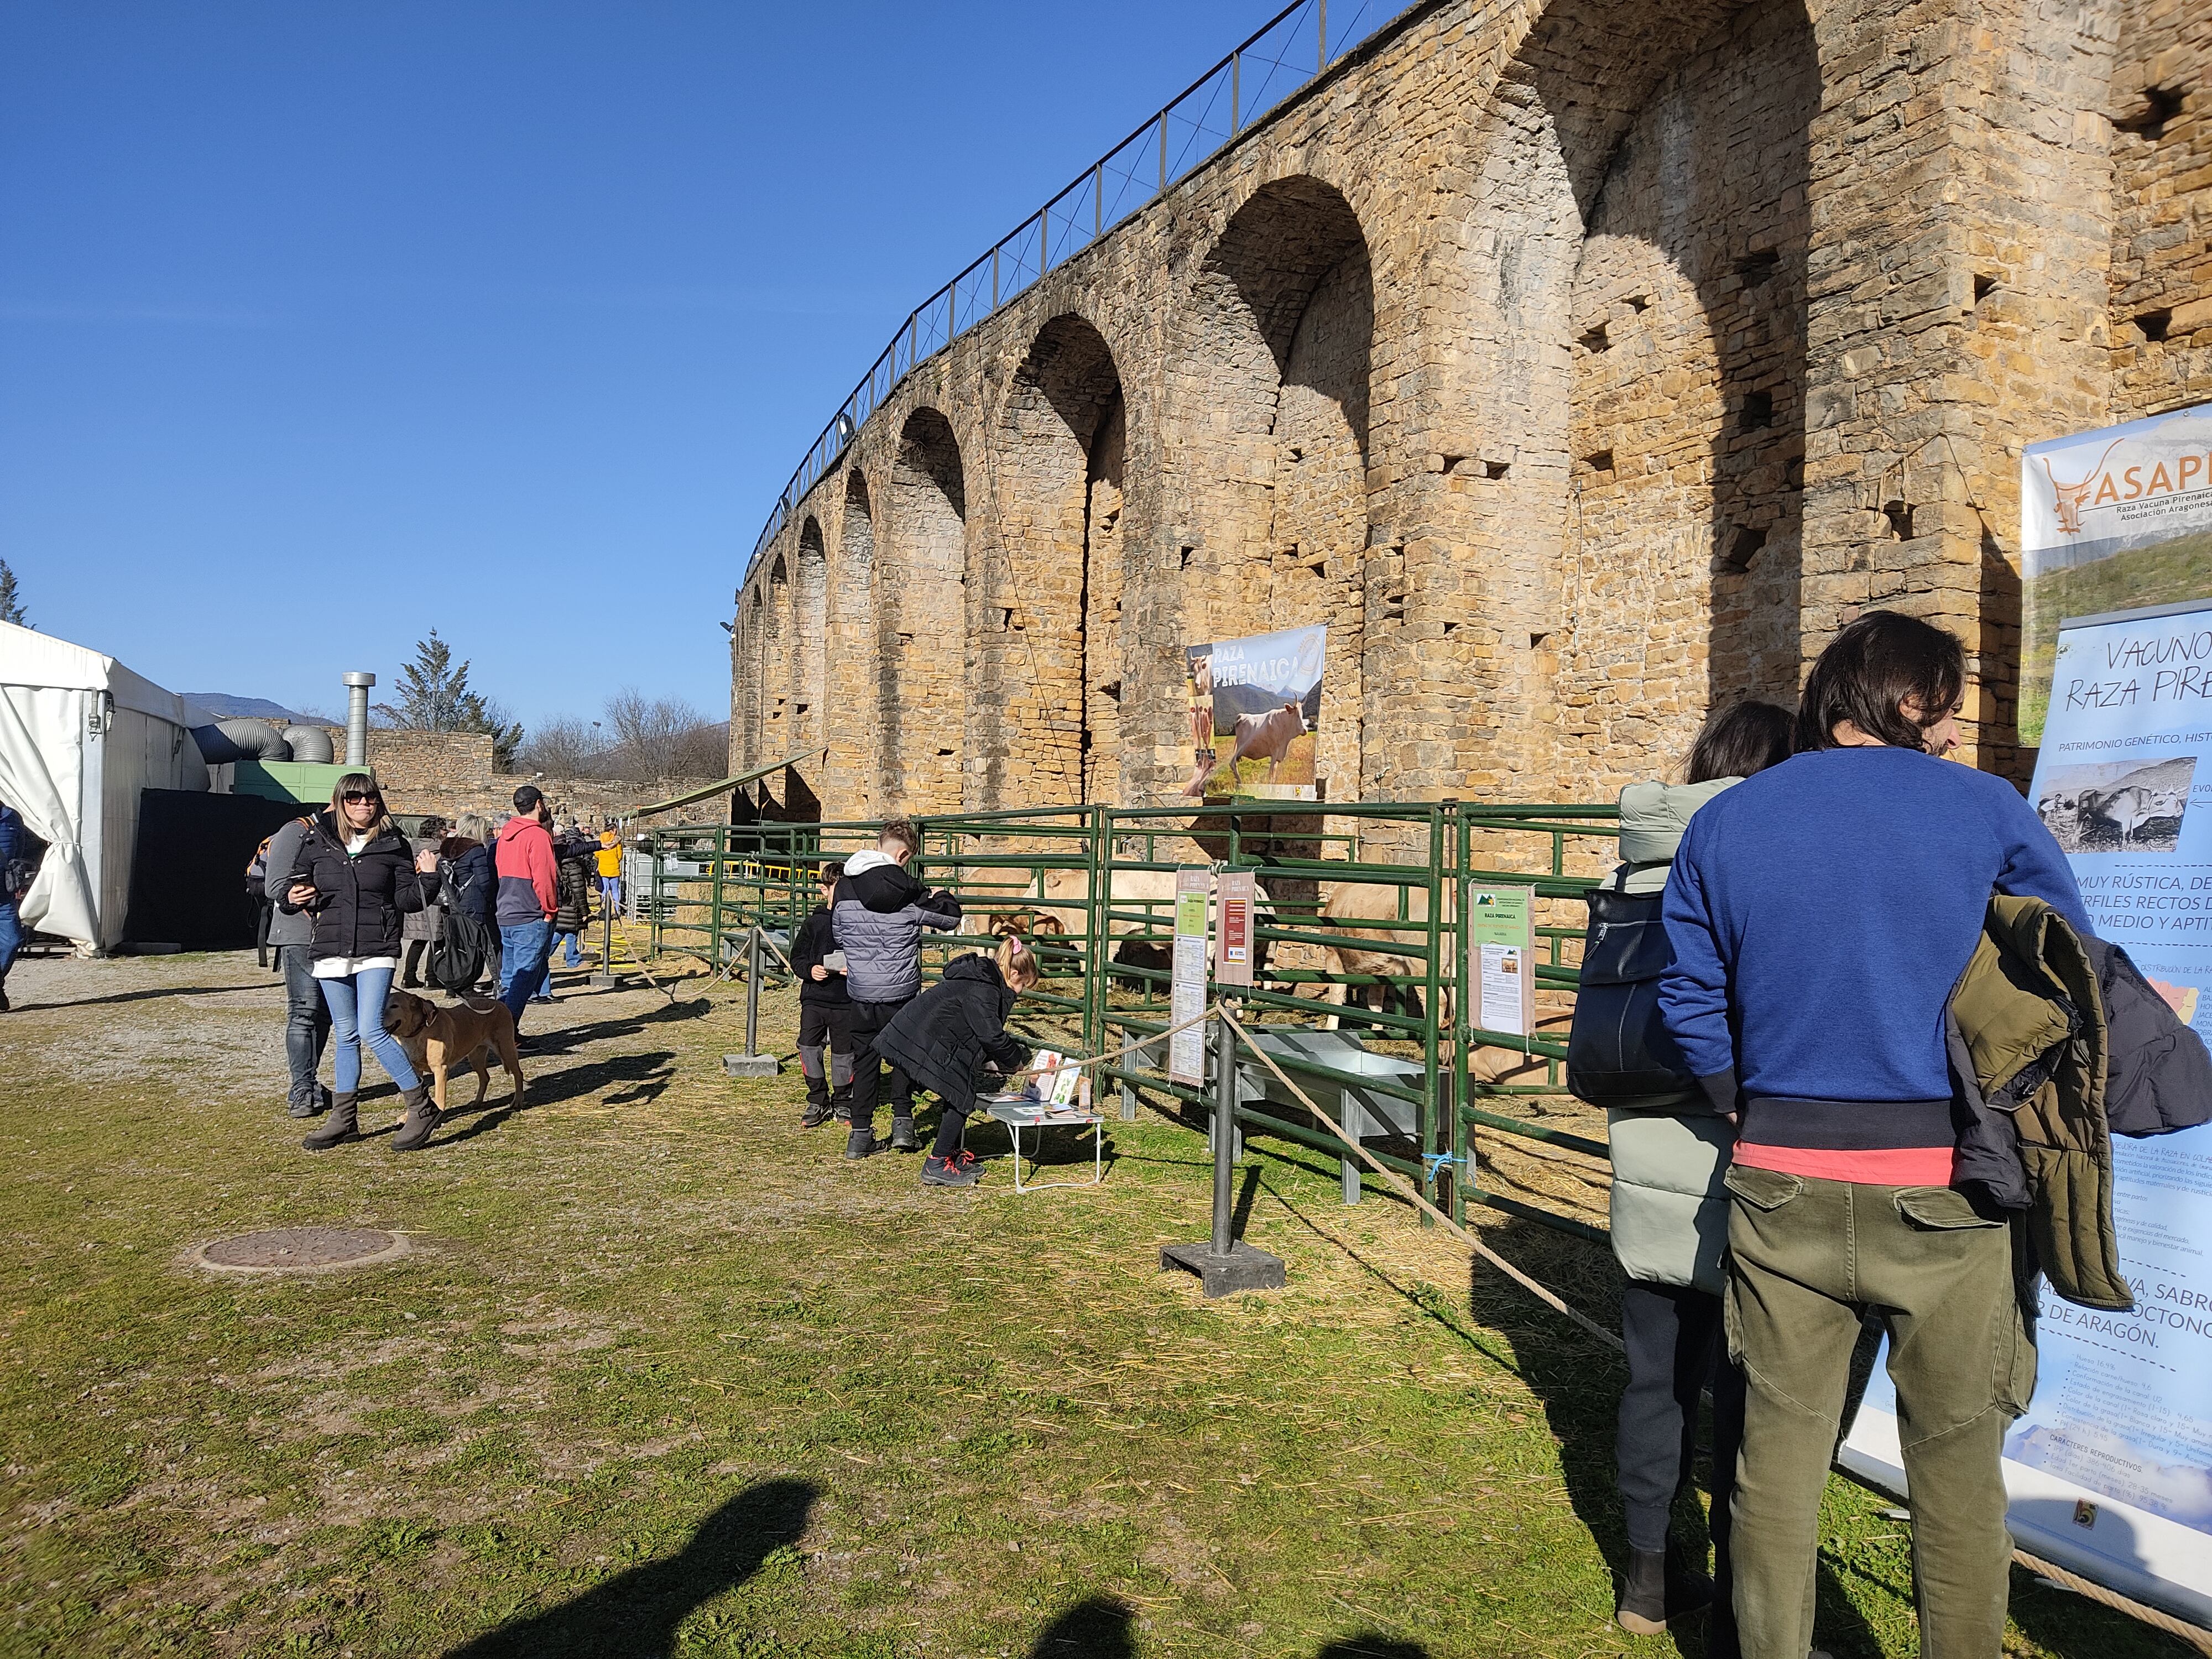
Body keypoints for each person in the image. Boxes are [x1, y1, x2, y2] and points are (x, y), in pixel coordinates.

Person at [1660, 612, 2090, 1659]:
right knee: (1954, 1470)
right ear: (1911, 700)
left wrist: (1741, 1104)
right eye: (1945, 705)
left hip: (1778, 1176)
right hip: (1948, 1180)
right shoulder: (1984, 810)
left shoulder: (1728, 819)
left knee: (1776, 1461)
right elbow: (2063, 970)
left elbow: (1687, 991)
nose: (1950, 727)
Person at [1568, 700, 1794, 1647]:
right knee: (1751, 1393)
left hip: (1646, 1157)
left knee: (1655, 1382)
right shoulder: (1769, 860)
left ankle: (1649, 1582)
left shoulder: (1634, 862)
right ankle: (1745, 1599)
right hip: (1750, 1160)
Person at [280, 774, 441, 1152]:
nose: (363, 805)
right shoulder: (316, 841)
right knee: (347, 1033)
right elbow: (291, 888)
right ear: (340, 802)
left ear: (378, 803)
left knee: (371, 1028)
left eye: (370, 798)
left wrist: (430, 878)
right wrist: (293, 897)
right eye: (354, 799)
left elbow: (407, 900)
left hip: (377, 946)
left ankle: (421, 1106)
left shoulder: (393, 844)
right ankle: (344, 1119)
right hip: (331, 947)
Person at [832, 816, 962, 1159]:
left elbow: (839, 935)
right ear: (905, 855)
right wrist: (942, 895)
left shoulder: (846, 886)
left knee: (865, 1060)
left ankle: (860, 1135)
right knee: (904, 1056)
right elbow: (949, 919)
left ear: (879, 845)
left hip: (860, 992)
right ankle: (903, 1124)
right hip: (901, 991)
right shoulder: (910, 889)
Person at [877, 934, 1040, 1187]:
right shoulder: (984, 988)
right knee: (962, 1097)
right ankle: (937, 1162)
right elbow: (990, 1034)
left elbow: (979, 1031)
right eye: (1024, 984)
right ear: (1015, 973)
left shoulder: (985, 980)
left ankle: (949, 1154)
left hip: (927, 1036)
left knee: (959, 1093)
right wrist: (1014, 1061)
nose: (1020, 992)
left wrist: (997, 1062)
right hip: (926, 1040)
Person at [260, 807, 333, 1118]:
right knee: (305, 1010)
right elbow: (274, 887)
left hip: (335, 933)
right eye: (352, 799)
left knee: (326, 1014)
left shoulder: (352, 835)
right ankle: (302, 1089)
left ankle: (308, 1081)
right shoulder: (296, 830)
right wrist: (301, 893)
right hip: (299, 933)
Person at [791, 862, 853, 1129]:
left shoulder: (856, 924)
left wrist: (855, 970)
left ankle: (843, 1101)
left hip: (845, 1000)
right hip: (815, 998)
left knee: (844, 1053)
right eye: (834, 890)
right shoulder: (814, 924)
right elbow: (797, 958)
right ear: (823, 890)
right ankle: (818, 1099)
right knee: (808, 1047)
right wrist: (810, 969)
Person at [494, 784, 559, 1033]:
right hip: (531, 915)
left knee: (509, 978)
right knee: (525, 978)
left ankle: (498, 1030)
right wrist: (550, 910)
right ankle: (505, 1033)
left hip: (507, 912)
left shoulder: (505, 837)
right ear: (539, 804)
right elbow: (545, 878)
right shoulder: (538, 835)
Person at [435, 814, 498, 994]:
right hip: (473, 903)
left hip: (452, 903)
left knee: (455, 944)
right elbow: (484, 881)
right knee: (481, 945)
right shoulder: (475, 849)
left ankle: (453, 986)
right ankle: (485, 984)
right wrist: (491, 899)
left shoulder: (446, 849)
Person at [400, 816, 448, 988]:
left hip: (415, 896)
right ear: (436, 832)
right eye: (444, 828)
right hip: (433, 898)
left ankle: (408, 976)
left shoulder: (411, 847)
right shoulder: (440, 851)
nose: (447, 832)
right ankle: (431, 977)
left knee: (419, 940)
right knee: (437, 939)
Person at [0, 792, 29, 1013]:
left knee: (13, 940)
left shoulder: (11, 817)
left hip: (4, 896)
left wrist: (16, 879)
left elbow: (21, 851)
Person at [595, 821, 624, 919]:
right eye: (615, 830)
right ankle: (616, 910)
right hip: (614, 869)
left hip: (603, 868)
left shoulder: (601, 840)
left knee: (605, 889)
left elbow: (597, 854)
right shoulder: (617, 841)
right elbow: (620, 856)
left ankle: (603, 909)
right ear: (612, 831)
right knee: (615, 891)